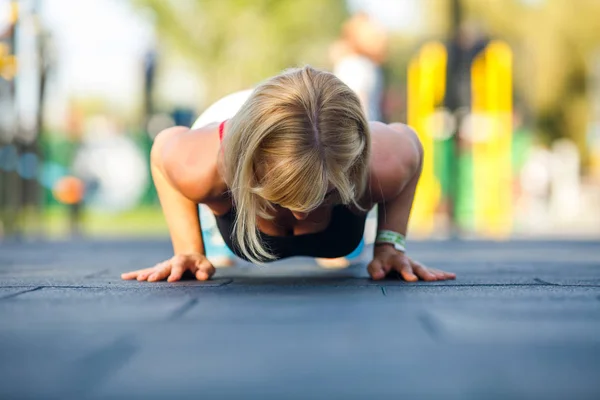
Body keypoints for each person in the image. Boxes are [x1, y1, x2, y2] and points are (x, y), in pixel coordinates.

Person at [121, 66, 456, 283]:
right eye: (283, 197)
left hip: (320, 133)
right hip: (237, 124)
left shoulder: (383, 163)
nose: (301, 213)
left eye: (324, 196)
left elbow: (412, 142)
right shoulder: (202, 167)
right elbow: (162, 149)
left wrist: (390, 243)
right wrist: (189, 249)